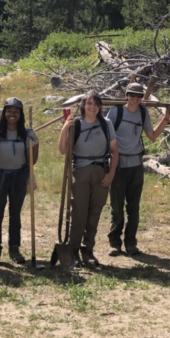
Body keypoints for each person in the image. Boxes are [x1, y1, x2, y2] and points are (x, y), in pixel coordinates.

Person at [106, 81, 170, 256]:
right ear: (126, 95)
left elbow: (152, 136)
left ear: (142, 98)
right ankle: (114, 243)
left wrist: (165, 119)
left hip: (136, 165)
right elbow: (106, 136)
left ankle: (130, 243)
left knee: (133, 207)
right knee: (117, 206)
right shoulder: (115, 112)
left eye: (139, 96)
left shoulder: (143, 113)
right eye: (132, 95)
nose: (135, 99)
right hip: (118, 165)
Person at [59, 93, 119, 267]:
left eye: (95, 104)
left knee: (94, 213)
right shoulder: (75, 124)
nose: (92, 107)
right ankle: (73, 250)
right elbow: (63, 150)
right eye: (89, 103)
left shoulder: (106, 124)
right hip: (81, 171)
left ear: (99, 106)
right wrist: (64, 129)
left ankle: (88, 250)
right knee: (79, 212)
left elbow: (115, 150)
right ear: (83, 105)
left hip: (102, 171)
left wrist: (111, 174)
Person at [0, 98, 39, 265]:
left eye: (16, 111)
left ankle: (14, 248)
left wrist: (32, 140)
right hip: (0, 177)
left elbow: (33, 160)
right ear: (4, 113)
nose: (12, 114)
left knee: (15, 214)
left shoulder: (27, 134)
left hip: (19, 177)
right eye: (9, 111)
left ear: (21, 113)